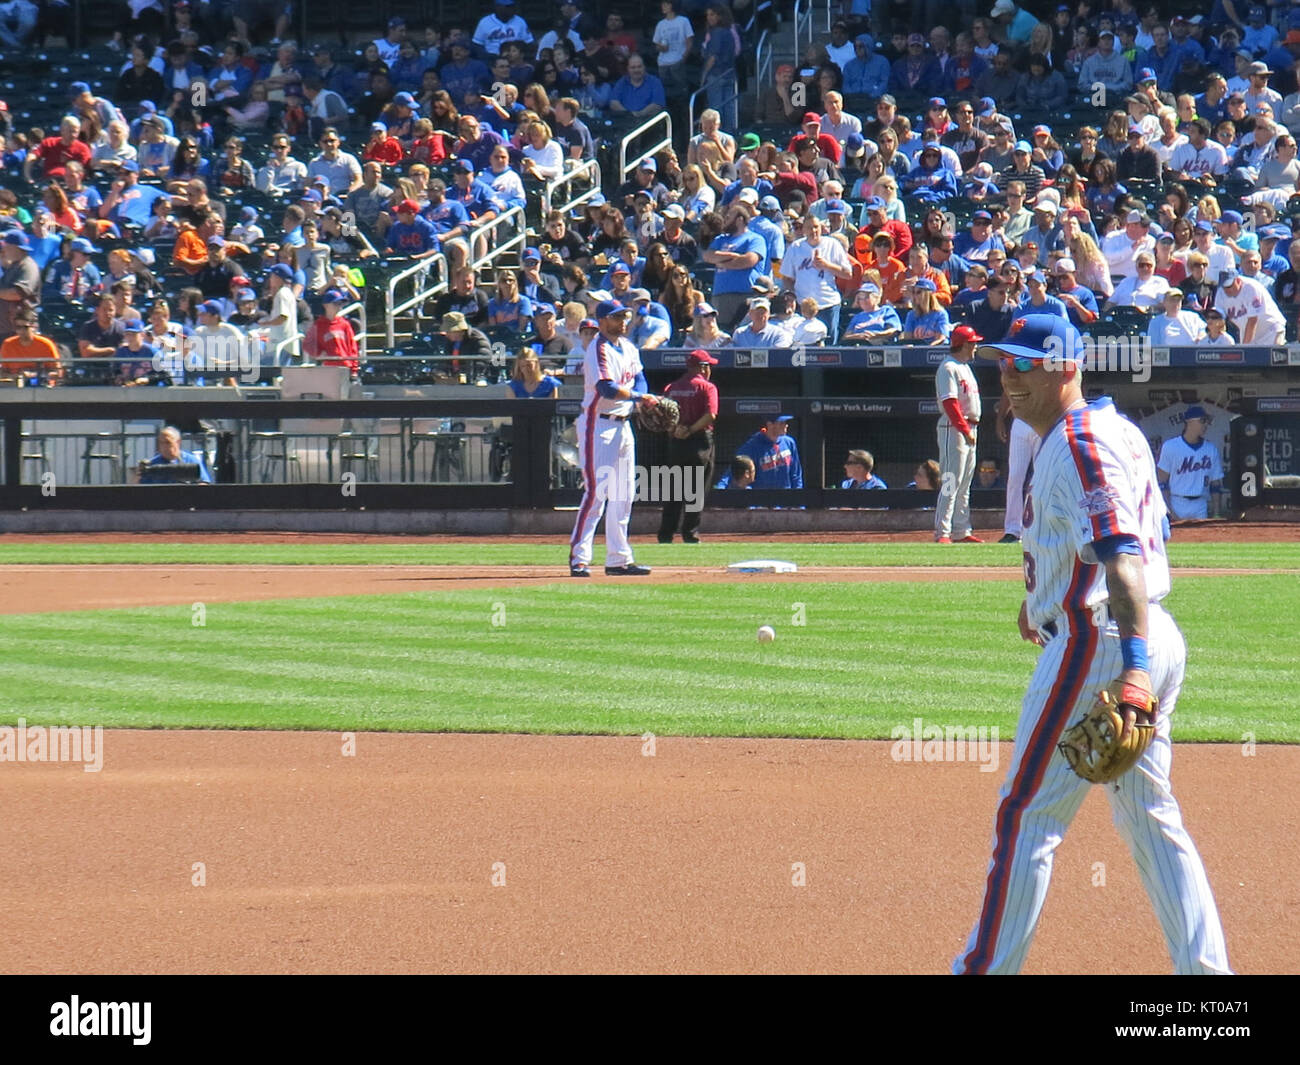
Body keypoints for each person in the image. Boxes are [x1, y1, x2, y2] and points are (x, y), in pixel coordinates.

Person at [954, 313, 1231, 976]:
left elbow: (1122, 557)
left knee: (1027, 816)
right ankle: (1209, 983)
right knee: (1152, 819)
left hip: (1103, 640)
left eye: (1025, 364)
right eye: (1003, 363)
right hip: (1141, 631)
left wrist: (1130, 670)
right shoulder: (1110, 431)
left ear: (1066, 367)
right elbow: (1090, 541)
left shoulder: (1078, 439)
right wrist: (1041, 596)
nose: (1010, 377)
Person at [568, 299, 657, 578]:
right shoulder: (598, 348)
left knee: (624, 495)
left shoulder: (628, 347)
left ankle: (618, 559)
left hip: (624, 425)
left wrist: (640, 396)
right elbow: (606, 388)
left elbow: (640, 377)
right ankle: (579, 558)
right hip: (599, 425)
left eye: (625, 317)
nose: (623, 321)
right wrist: (639, 397)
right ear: (603, 320)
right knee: (596, 492)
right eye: (617, 317)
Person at [657, 349, 719, 544]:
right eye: (708, 366)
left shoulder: (671, 387)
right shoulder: (707, 387)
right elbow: (711, 415)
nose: (709, 370)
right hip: (699, 440)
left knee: (674, 491)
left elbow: (661, 415)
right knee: (696, 490)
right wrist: (690, 430)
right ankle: (690, 535)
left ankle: (665, 535)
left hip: (676, 441)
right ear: (702, 368)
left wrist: (675, 430)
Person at [935, 324, 983, 544]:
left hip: (970, 427)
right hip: (953, 429)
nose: (975, 347)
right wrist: (964, 430)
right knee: (950, 482)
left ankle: (961, 530)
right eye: (973, 343)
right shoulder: (948, 367)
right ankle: (943, 532)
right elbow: (950, 403)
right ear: (963, 345)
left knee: (964, 484)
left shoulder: (964, 366)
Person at [1157, 405, 1224, 520]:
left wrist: (1216, 512)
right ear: (1189, 422)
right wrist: (1169, 511)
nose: (1205, 425)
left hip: (1200, 504)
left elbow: (1215, 484)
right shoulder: (1171, 446)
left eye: (1207, 421)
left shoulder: (1210, 449)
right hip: (1177, 502)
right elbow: (1162, 482)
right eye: (1202, 421)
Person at [722, 415, 803, 489]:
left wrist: (799, 501)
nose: (786, 425)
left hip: (786, 501)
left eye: (785, 422)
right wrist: (717, 493)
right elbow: (731, 474)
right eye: (781, 423)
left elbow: (796, 475)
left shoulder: (789, 443)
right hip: (761, 501)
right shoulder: (751, 446)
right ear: (769, 424)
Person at [303, 289, 360, 375]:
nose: (339, 307)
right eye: (335, 304)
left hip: (345, 367)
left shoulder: (344, 324)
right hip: (327, 368)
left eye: (340, 304)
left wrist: (354, 369)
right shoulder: (318, 325)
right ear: (326, 305)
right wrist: (319, 353)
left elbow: (353, 348)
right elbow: (307, 344)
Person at [139, 426, 213, 484]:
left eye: (168, 442)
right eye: (161, 443)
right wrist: (139, 472)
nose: (164, 446)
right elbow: (139, 486)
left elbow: (204, 482)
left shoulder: (191, 461)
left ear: (178, 442)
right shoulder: (153, 464)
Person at [0, 309, 59, 381]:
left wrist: (34, 375)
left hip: (43, 387)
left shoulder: (45, 344)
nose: (21, 331)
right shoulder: (8, 344)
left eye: (25, 327)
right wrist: (18, 377)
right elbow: (3, 372)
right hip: (15, 387)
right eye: (18, 327)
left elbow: (57, 372)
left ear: (34, 327)